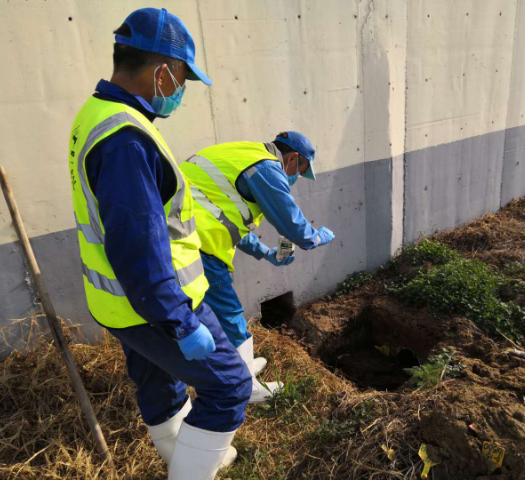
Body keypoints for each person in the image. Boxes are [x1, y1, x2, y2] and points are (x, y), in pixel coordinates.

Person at [67, 8, 251, 479]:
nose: (181, 91)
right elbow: (138, 247)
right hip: (155, 304)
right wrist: (179, 321)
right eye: (183, 78)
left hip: (117, 305)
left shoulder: (97, 114)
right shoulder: (128, 140)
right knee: (230, 387)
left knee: (158, 382)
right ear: (162, 71)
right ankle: (191, 470)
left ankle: (181, 457)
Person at [180, 132, 335, 404]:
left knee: (219, 314)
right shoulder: (266, 168)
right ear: (292, 159)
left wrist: (267, 253)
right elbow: (294, 228)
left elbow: (229, 220)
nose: (296, 177)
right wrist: (317, 236)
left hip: (189, 234)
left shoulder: (246, 156)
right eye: (300, 171)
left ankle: (241, 367)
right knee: (230, 314)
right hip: (195, 243)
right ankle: (246, 387)